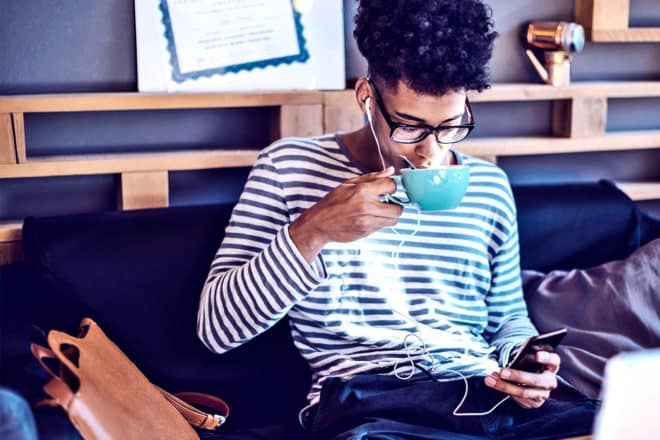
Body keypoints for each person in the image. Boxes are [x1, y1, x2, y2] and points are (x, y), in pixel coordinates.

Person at [197, 0, 598, 438]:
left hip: (482, 396)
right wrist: (313, 231)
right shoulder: (288, 169)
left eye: (451, 125)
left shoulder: (488, 186)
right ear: (367, 98)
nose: (431, 151)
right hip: (370, 404)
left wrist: (525, 363)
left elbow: (506, 318)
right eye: (409, 127)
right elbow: (216, 330)